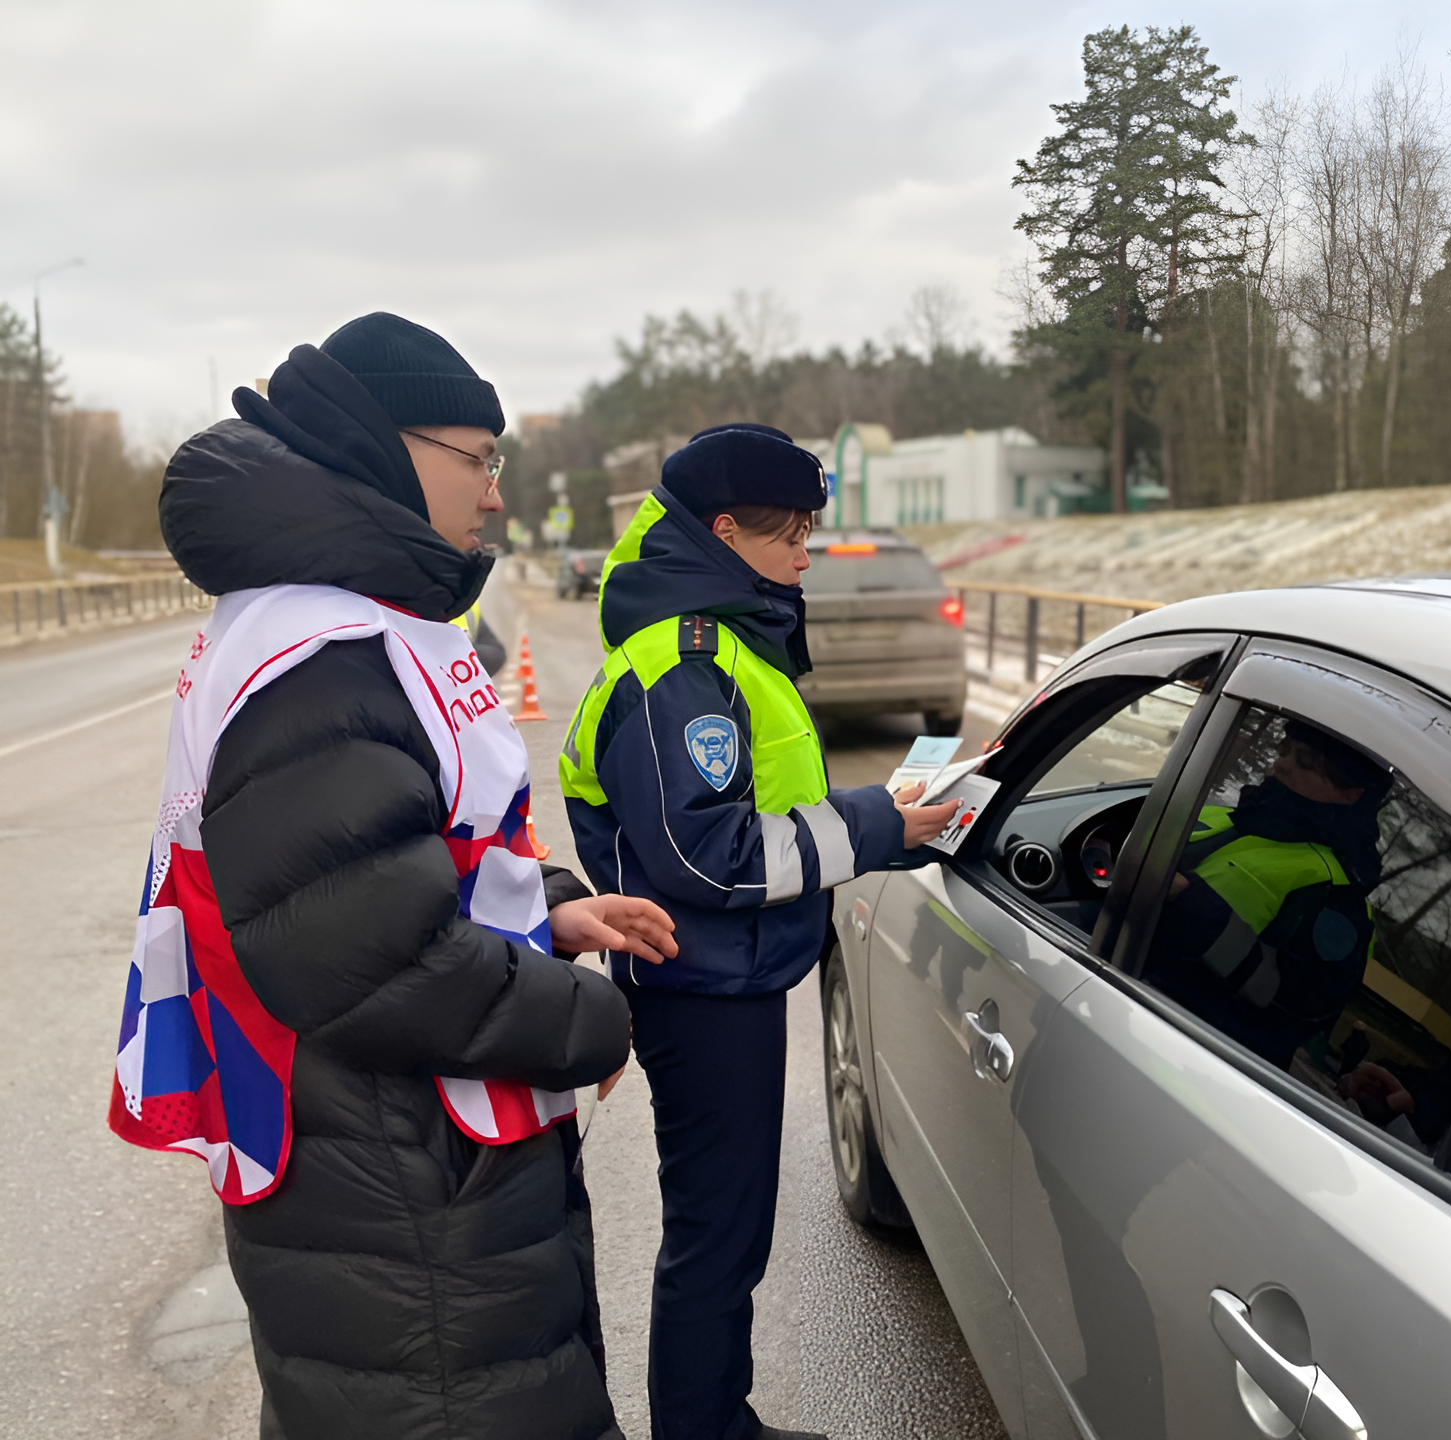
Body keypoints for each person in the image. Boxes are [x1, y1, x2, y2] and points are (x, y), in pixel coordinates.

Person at [109, 312, 674, 1440]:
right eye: (479, 457)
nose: (498, 492)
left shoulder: (346, 621)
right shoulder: (324, 655)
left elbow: (403, 864)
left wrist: (548, 915)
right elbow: (369, 961)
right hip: (404, 1196)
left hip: (400, 1174)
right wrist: (592, 1023)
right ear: (385, 446)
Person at [559, 423, 959, 1440]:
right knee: (717, 1236)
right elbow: (712, 856)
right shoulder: (683, 665)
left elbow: (766, 813)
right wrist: (875, 823)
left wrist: (891, 827)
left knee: (729, 1232)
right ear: (726, 530)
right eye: (792, 533)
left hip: (726, 979)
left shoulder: (719, 641)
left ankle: (716, 1417)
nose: (805, 552)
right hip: (701, 990)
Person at [1142, 718, 1390, 1067]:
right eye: (1284, 750)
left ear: (1351, 792)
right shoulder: (1221, 815)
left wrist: (1192, 906)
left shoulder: (1337, 898)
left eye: (1305, 760)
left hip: (1174, 1054)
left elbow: (1286, 1019)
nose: (1282, 763)